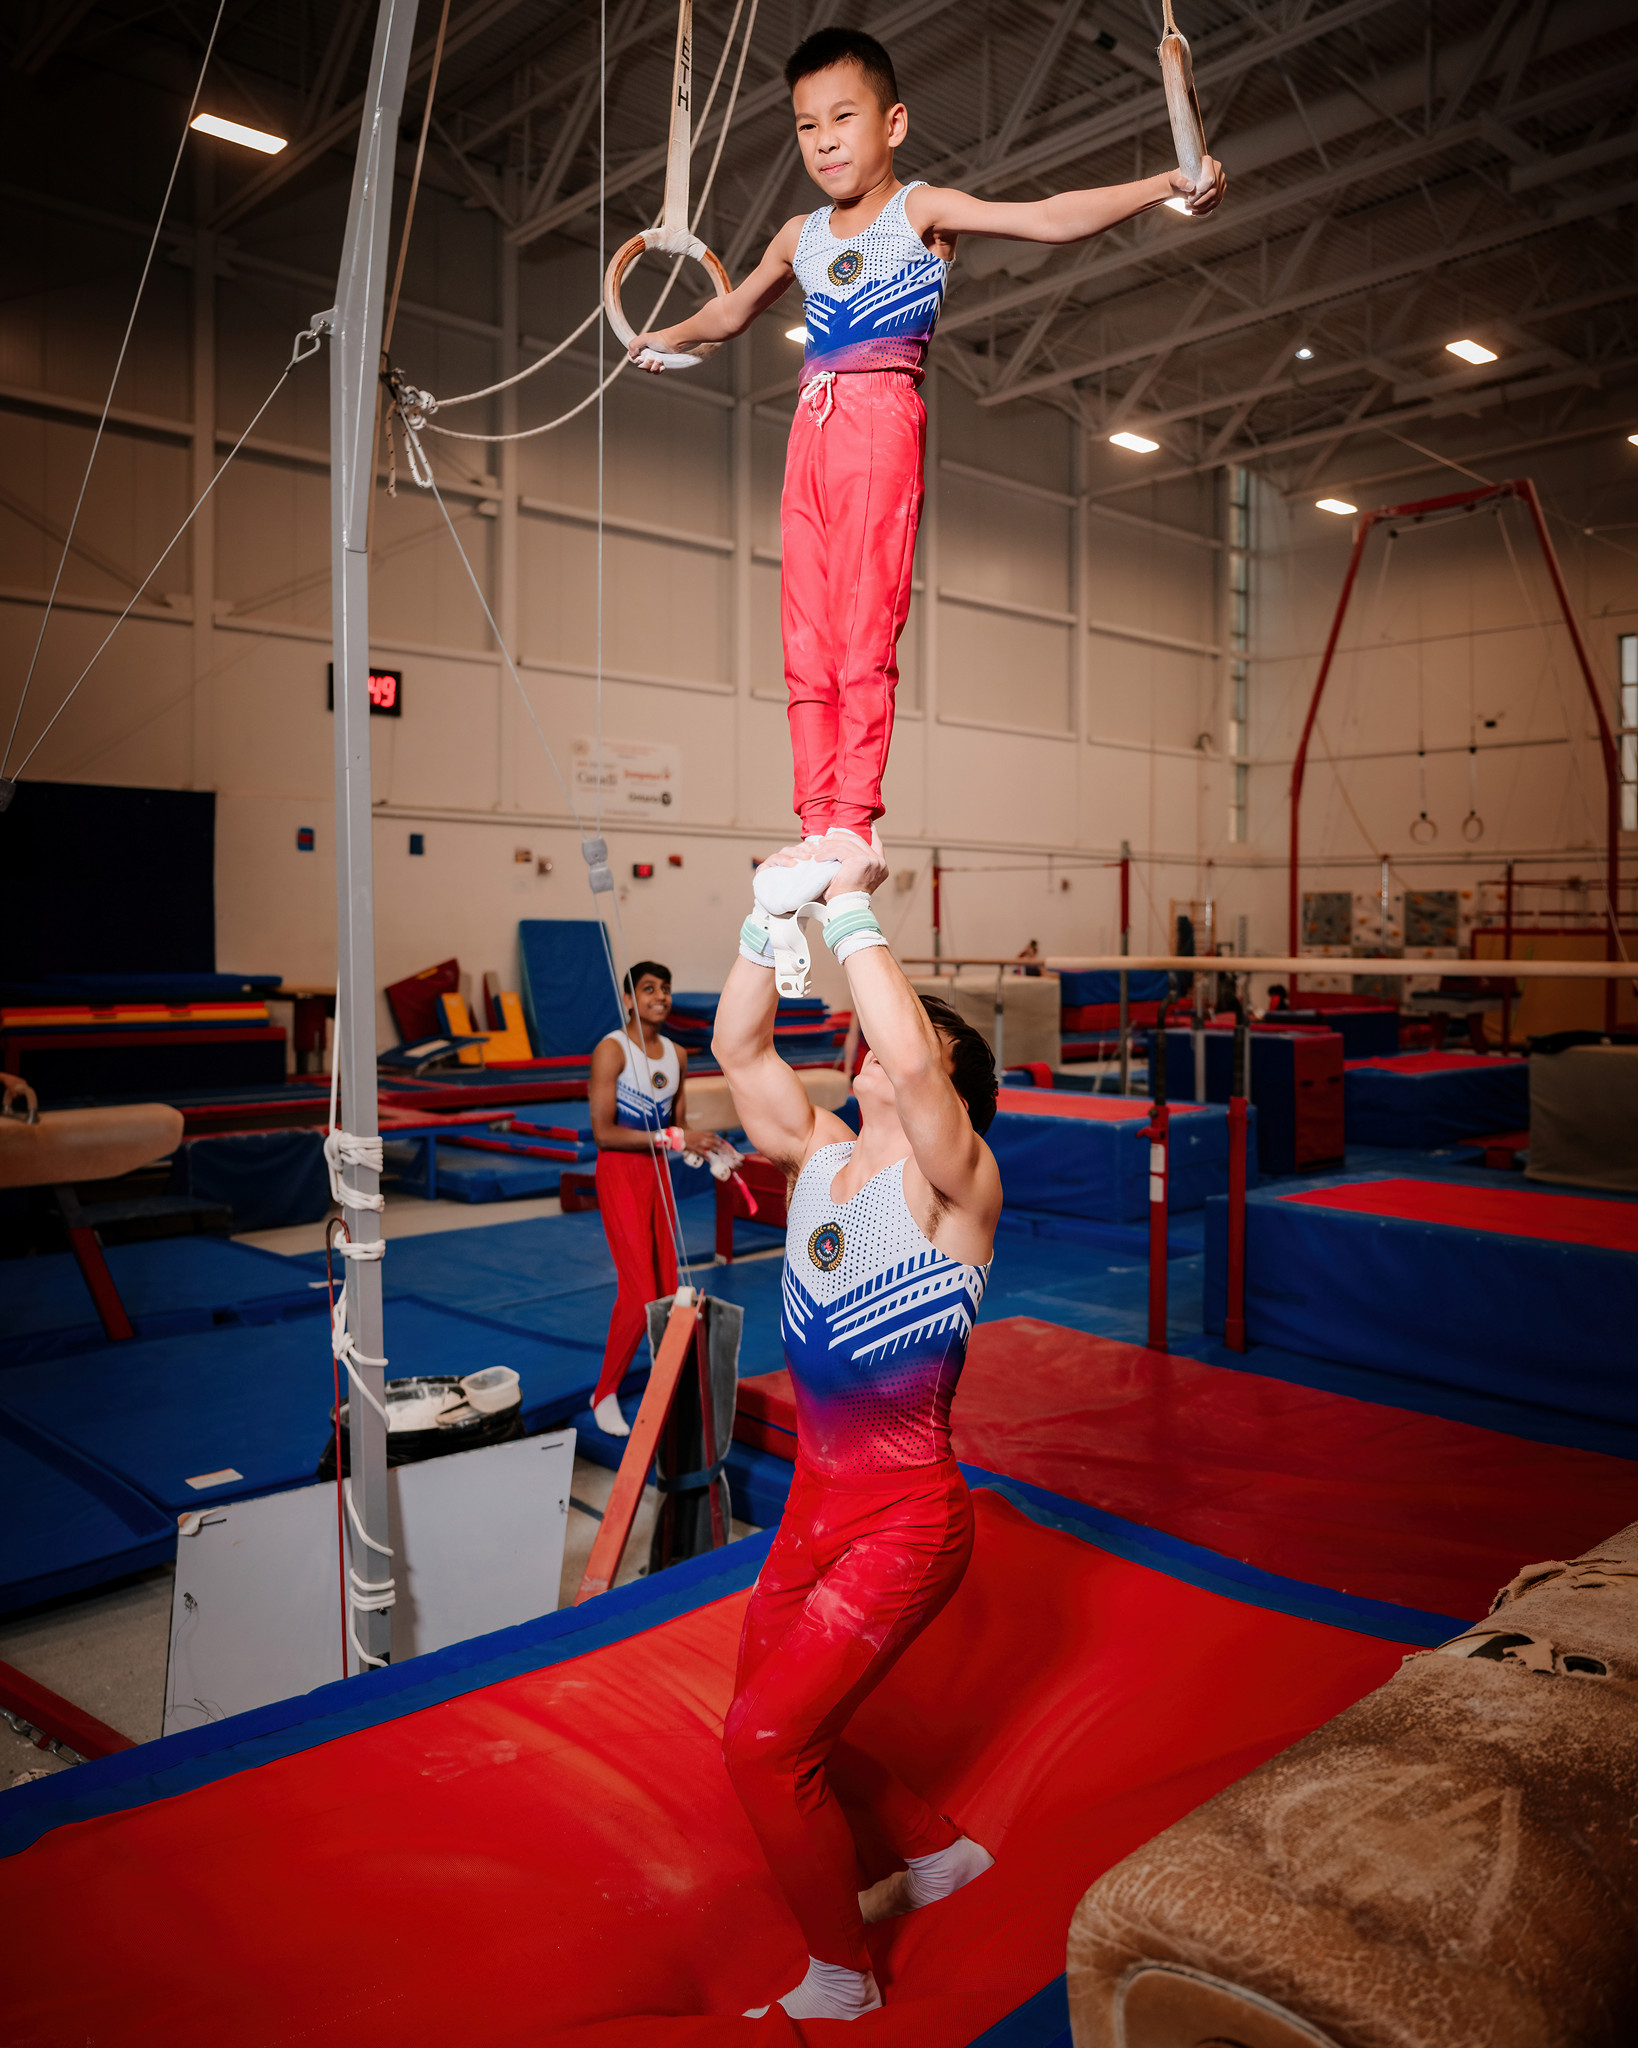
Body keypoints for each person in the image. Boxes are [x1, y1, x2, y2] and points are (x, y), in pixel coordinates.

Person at [631, 27, 1225, 890]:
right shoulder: (798, 234)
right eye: (806, 126)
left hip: (880, 417)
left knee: (862, 631)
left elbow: (1048, 218)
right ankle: (814, 822)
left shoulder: (921, 210)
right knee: (806, 637)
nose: (825, 141)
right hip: (810, 426)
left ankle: (854, 821)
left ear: (894, 122)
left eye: (844, 118)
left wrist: (1167, 184)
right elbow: (730, 314)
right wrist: (665, 335)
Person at [712, 845, 1003, 2021]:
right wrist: (762, 918)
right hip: (815, 1502)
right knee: (772, 1717)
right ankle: (934, 1851)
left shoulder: (956, 1186)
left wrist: (846, 907)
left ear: (947, 1087)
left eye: (905, 1040)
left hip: (906, 1517)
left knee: (760, 1743)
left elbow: (916, 1057)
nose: (877, 1046)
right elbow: (739, 1050)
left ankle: (843, 1979)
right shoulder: (819, 1152)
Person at [587, 961, 723, 1437]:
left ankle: (667, 1386)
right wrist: (671, 1139)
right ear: (629, 999)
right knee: (639, 1293)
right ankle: (604, 1393)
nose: (660, 996)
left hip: (658, 1174)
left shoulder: (678, 1055)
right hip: (620, 1172)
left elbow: (677, 1127)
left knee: (667, 1288)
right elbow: (604, 1133)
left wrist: (705, 1147)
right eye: (648, 989)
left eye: (665, 988)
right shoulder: (612, 1050)